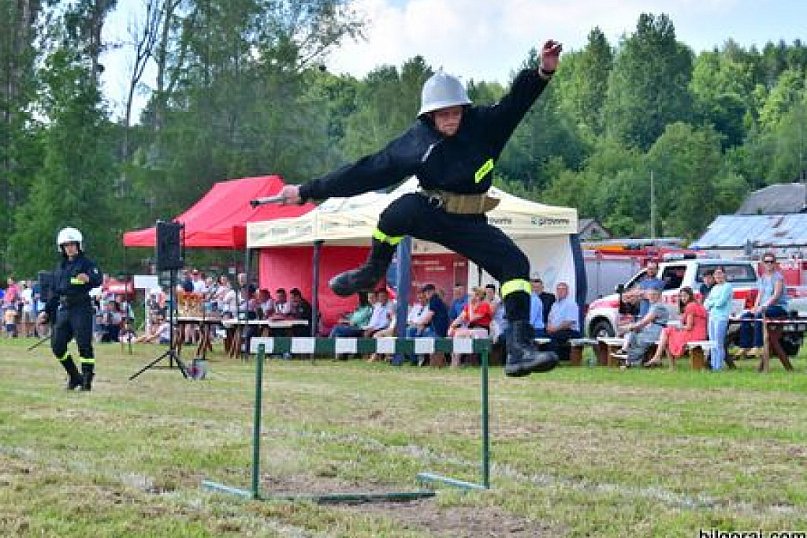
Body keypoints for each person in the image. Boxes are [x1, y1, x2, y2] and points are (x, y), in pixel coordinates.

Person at [278, 39, 563, 377]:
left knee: (515, 264)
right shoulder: (417, 142)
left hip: (471, 221)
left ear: (464, 109)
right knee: (399, 211)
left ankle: (519, 349)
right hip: (433, 212)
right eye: (443, 114)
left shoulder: (485, 124)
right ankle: (371, 270)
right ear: (429, 115)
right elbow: (365, 171)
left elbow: (517, 102)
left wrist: (543, 71)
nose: (450, 119)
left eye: (455, 112)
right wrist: (307, 191)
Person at [37, 227, 103, 391]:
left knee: (83, 344)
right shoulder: (60, 267)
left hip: (81, 307)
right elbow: (54, 292)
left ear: (78, 245)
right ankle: (74, 376)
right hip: (64, 309)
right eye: (66, 245)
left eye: (72, 244)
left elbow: (98, 278)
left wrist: (89, 278)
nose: (70, 248)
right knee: (57, 345)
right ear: (62, 248)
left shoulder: (86, 263)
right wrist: (46, 311)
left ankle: (87, 379)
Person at [737, 252, 789, 357]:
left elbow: (776, 296)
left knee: (759, 315)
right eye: (766, 261)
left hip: (778, 307)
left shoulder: (778, 277)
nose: (769, 264)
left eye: (771, 261)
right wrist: (755, 307)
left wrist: (763, 307)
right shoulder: (763, 277)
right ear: (763, 263)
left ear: (775, 263)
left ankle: (758, 345)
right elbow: (760, 294)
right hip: (763, 307)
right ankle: (745, 346)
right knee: (745, 316)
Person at [645, 287, 707, 369]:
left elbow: (688, 327)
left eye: (685, 296)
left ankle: (660, 359)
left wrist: (679, 328)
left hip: (694, 334)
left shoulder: (690, 306)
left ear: (690, 296)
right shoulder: (697, 305)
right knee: (667, 335)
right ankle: (659, 358)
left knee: (666, 332)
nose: (683, 298)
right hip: (701, 334)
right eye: (681, 296)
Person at [620, 287, 668, 368]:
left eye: (654, 295)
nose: (651, 296)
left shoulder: (658, 307)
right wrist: (632, 327)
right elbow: (639, 294)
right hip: (652, 329)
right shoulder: (653, 305)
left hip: (657, 330)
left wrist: (630, 327)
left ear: (659, 296)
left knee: (640, 340)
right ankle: (627, 356)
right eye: (650, 295)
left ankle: (630, 361)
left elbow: (645, 321)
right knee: (633, 335)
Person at [703, 268, 732, 370]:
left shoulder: (727, 286)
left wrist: (712, 302)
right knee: (712, 342)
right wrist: (712, 302)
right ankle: (713, 364)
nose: (718, 276)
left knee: (719, 343)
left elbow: (721, 302)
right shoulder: (714, 288)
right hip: (712, 316)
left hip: (721, 317)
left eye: (720, 273)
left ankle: (718, 366)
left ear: (724, 274)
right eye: (716, 274)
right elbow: (706, 304)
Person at [545, 282, 581, 361]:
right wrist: (549, 327)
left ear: (567, 292)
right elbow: (550, 318)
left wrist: (554, 329)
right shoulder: (554, 305)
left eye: (563, 289)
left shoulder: (571, 304)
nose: (560, 291)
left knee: (553, 337)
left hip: (571, 331)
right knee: (543, 336)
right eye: (558, 289)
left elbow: (568, 323)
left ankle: (553, 359)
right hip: (557, 330)